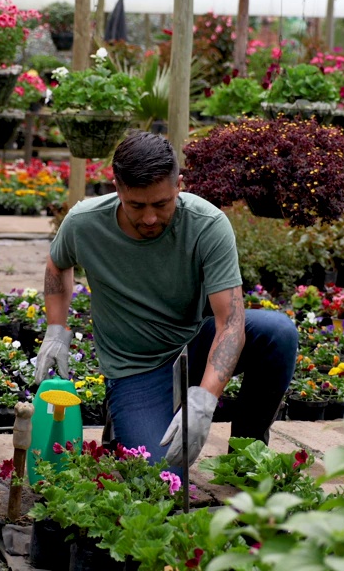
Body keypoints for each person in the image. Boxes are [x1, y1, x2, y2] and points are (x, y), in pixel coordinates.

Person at [35, 132, 298, 472]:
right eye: (137, 205)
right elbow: (58, 263)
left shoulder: (207, 225)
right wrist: (56, 330)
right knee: (160, 479)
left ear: (178, 186)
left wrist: (205, 400)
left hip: (192, 349)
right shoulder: (85, 223)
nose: (149, 218)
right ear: (117, 188)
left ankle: (246, 452)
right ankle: (124, 419)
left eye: (161, 204)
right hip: (135, 371)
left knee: (278, 332)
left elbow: (230, 323)